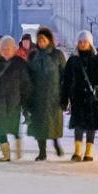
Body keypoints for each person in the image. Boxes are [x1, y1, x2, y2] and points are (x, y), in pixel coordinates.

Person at [62, 31, 98, 162]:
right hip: (77, 97)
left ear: (90, 43)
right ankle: (77, 151)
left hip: (93, 98)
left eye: (85, 41)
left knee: (91, 124)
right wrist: (64, 98)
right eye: (80, 42)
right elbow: (66, 80)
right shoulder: (73, 60)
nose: (82, 44)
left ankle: (88, 151)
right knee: (78, 123)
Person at [0, 36, 31, 161]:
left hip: (14, 100)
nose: (5, 50)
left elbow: (26, 82)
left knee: (14, 126)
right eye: (3, 48)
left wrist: (26, 98)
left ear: (13, 49)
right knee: (0, 128)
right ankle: (6, 153)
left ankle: (18, 145)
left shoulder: (19, 63)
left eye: (8, 48)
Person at [25, 27, 66, 161]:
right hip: (38, 95)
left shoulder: (57, 55)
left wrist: (64, 93)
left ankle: (55, 143)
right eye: (39, 40)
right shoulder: (33, 55)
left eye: (44, 40)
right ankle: (42, 151)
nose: (41, 42)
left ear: (49, 40)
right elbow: (28, 75)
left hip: (54, 95)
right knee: (39, 124)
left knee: (53, 122)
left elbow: (64, 75)